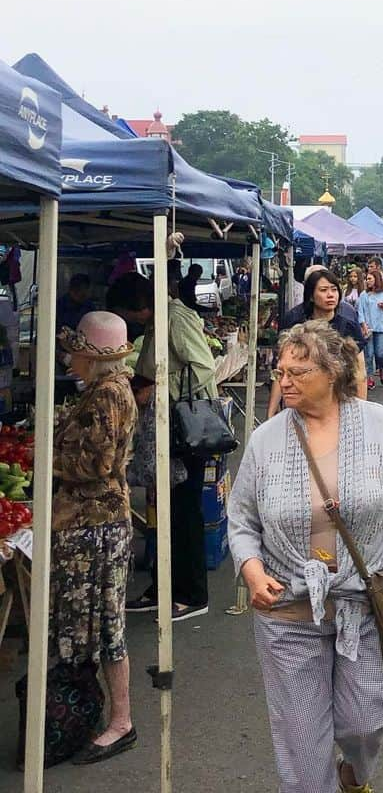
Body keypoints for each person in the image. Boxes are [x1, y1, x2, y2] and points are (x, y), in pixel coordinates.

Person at [229, 320, 383, 793]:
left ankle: (353, 775)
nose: (285, 381)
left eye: (299, 371)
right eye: (281, 371)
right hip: (289, 611)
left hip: (365, 602)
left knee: (364, 719)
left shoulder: (376, 424)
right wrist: (252, 573)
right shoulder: (265, 440)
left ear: (333, 371)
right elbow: (242, 520)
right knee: (302, 744)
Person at [51, 312, 139, 764]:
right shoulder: (106, 391)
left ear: (94, 358)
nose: (71, 359)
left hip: (96, 526)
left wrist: (49, 460)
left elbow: (97, 464)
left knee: (106, 625)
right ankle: (92, 715)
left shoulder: (108, 396)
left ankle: (120, 721)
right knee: (94, 624)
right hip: (90, 523)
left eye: (78, 352)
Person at [107, 271, 215, 621]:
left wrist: (158, 390)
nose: (130, 321)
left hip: (185, 429)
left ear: (140, 306)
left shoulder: (176, 318)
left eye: (129, 313)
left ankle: (192, 594)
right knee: (162, 512)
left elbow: (203, 369)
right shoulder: (157, 322)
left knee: (184, 510)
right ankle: (163, 586)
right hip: (163, 427)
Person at [269, 269, 367, 417]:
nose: (330, 295)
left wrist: (361, 412)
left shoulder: (348, 326)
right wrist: (271, 413)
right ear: (311, 296)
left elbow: (359, 371)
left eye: (334, 289)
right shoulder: (296, 324)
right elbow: (283, 370)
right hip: (302, 403)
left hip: (340, 402)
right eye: (323, 290)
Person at [360, 266, 383, 389]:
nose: (367, 281)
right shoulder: (364, 295)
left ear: (377, 279)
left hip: (381, 326)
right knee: (368, 353)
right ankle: (369, 377)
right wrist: (363, 325)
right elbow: (361, 311)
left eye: (370, 278)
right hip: (369, 328)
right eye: (366, 279)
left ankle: (381, 369)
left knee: (380, 353)